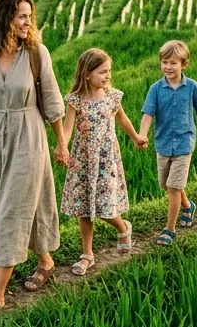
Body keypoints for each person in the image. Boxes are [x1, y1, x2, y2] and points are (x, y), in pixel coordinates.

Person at [0, 0, 69, 323]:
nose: (27, 22)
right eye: (21, 15)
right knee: (12, 203)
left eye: (29, 16)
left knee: (12, 207)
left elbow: (51, 100)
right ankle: (46, 262)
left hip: (29, 134)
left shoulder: (37, 53)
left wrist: (61, 143)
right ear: (4, 17)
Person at [60, 48, 146, 275]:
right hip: (83, 159)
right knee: (84, 209)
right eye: (102, 72)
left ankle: (122, 226)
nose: (108, 76)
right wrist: (62, 147)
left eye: (109, 71)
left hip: (106, 158)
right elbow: (67, 129)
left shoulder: (112, 96)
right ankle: (87, 254)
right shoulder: (75, 100)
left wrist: (136, 137)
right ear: (87, 74)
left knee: (106, 207)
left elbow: (123, 119)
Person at [138, 40, 197, 247]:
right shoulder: (156, 89)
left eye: (173, 63)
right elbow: (147, 114)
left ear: (184, 65)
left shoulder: (192, 87)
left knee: (173, 187)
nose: (168, 67)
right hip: (162, 144)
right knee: (169, 185)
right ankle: (188, 206)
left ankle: (170, 229)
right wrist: (142, 135)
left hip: (184, 144)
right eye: (164, 62)